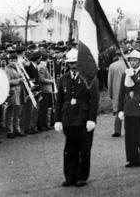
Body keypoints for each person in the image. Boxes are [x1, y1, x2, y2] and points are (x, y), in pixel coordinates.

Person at [54, 48, 99, 187]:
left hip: (84, 118)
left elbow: (94, 100)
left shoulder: (90, 78)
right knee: (69, 150)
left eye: (75, 62)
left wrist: (92, 119)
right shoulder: (63, 79)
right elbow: (59, 101)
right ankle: (70, 177)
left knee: (84, 149)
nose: (73, 66)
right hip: (68, 118)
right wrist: (57, 120)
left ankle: (82, 176)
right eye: (70, 63)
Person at [118, 50, 140, 167]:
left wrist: (134, 77)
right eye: (131, 60)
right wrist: (120, 109)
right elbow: (121, 92)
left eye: (135, 60)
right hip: (129, 107)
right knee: (130, 135)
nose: (133, 63)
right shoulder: (126, 74)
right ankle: (132, 159)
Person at [5, 53, 25, 138]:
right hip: (12, 92)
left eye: (15, 60)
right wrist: (19, 80)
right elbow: (8, 81)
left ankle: (17, 129)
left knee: (17, 112)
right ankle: (10, 131)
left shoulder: (17, 67)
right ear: (8, 60)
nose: (13, 62)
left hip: (19, 91)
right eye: (11, 60)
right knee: (10, 113)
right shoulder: (7, 69)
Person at [107, 50, 127, 137]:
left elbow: (109, 81)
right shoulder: (129, 65)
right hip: (128, 90)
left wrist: (110, 93)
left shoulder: (112, 66)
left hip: (117, 91)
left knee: (118, 110)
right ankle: (129, 130)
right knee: (129, 110)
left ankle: (117, 130)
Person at [37, 52, 54, 131]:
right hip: (44, 89)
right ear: (47, 59)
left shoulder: (43, 66)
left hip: (46, 89)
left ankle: (44, 124)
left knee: (45, 108)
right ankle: (42, 125)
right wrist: (51, 81)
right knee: (43, 108)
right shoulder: (42, 67)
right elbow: (41, 79)